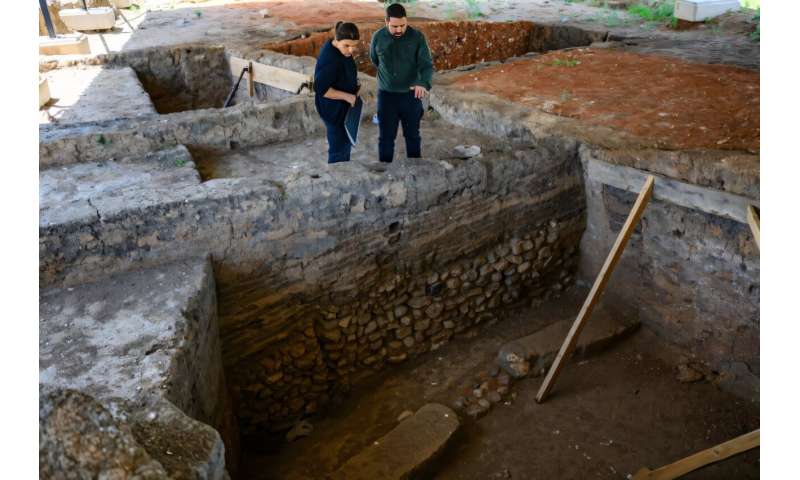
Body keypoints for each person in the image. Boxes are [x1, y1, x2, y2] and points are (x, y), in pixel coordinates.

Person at [369, 3, 434, 164]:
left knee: (412, 135)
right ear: (386, 22)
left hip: (411, 95)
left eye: (403, 25)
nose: (399, 30)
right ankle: (385, 170)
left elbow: (426, 65)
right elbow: (375, 59)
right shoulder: (378, 37)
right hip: (386, 96)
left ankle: (416, 169)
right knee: (385, 137)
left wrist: (422, 83)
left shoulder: (417, 37)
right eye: (394, 26)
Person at [314, 22, 361, 164]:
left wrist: (355, 83)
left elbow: (343, 71)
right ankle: (338, 176)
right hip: (333, 111)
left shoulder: (342, 50)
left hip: (343, 108)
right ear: (337, 39)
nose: (351, 50)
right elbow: (321, 89)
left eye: (354, 45)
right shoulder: (330, 59)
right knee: (339, 148)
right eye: (347, 45)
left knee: (345, 144)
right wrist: (348, 96)